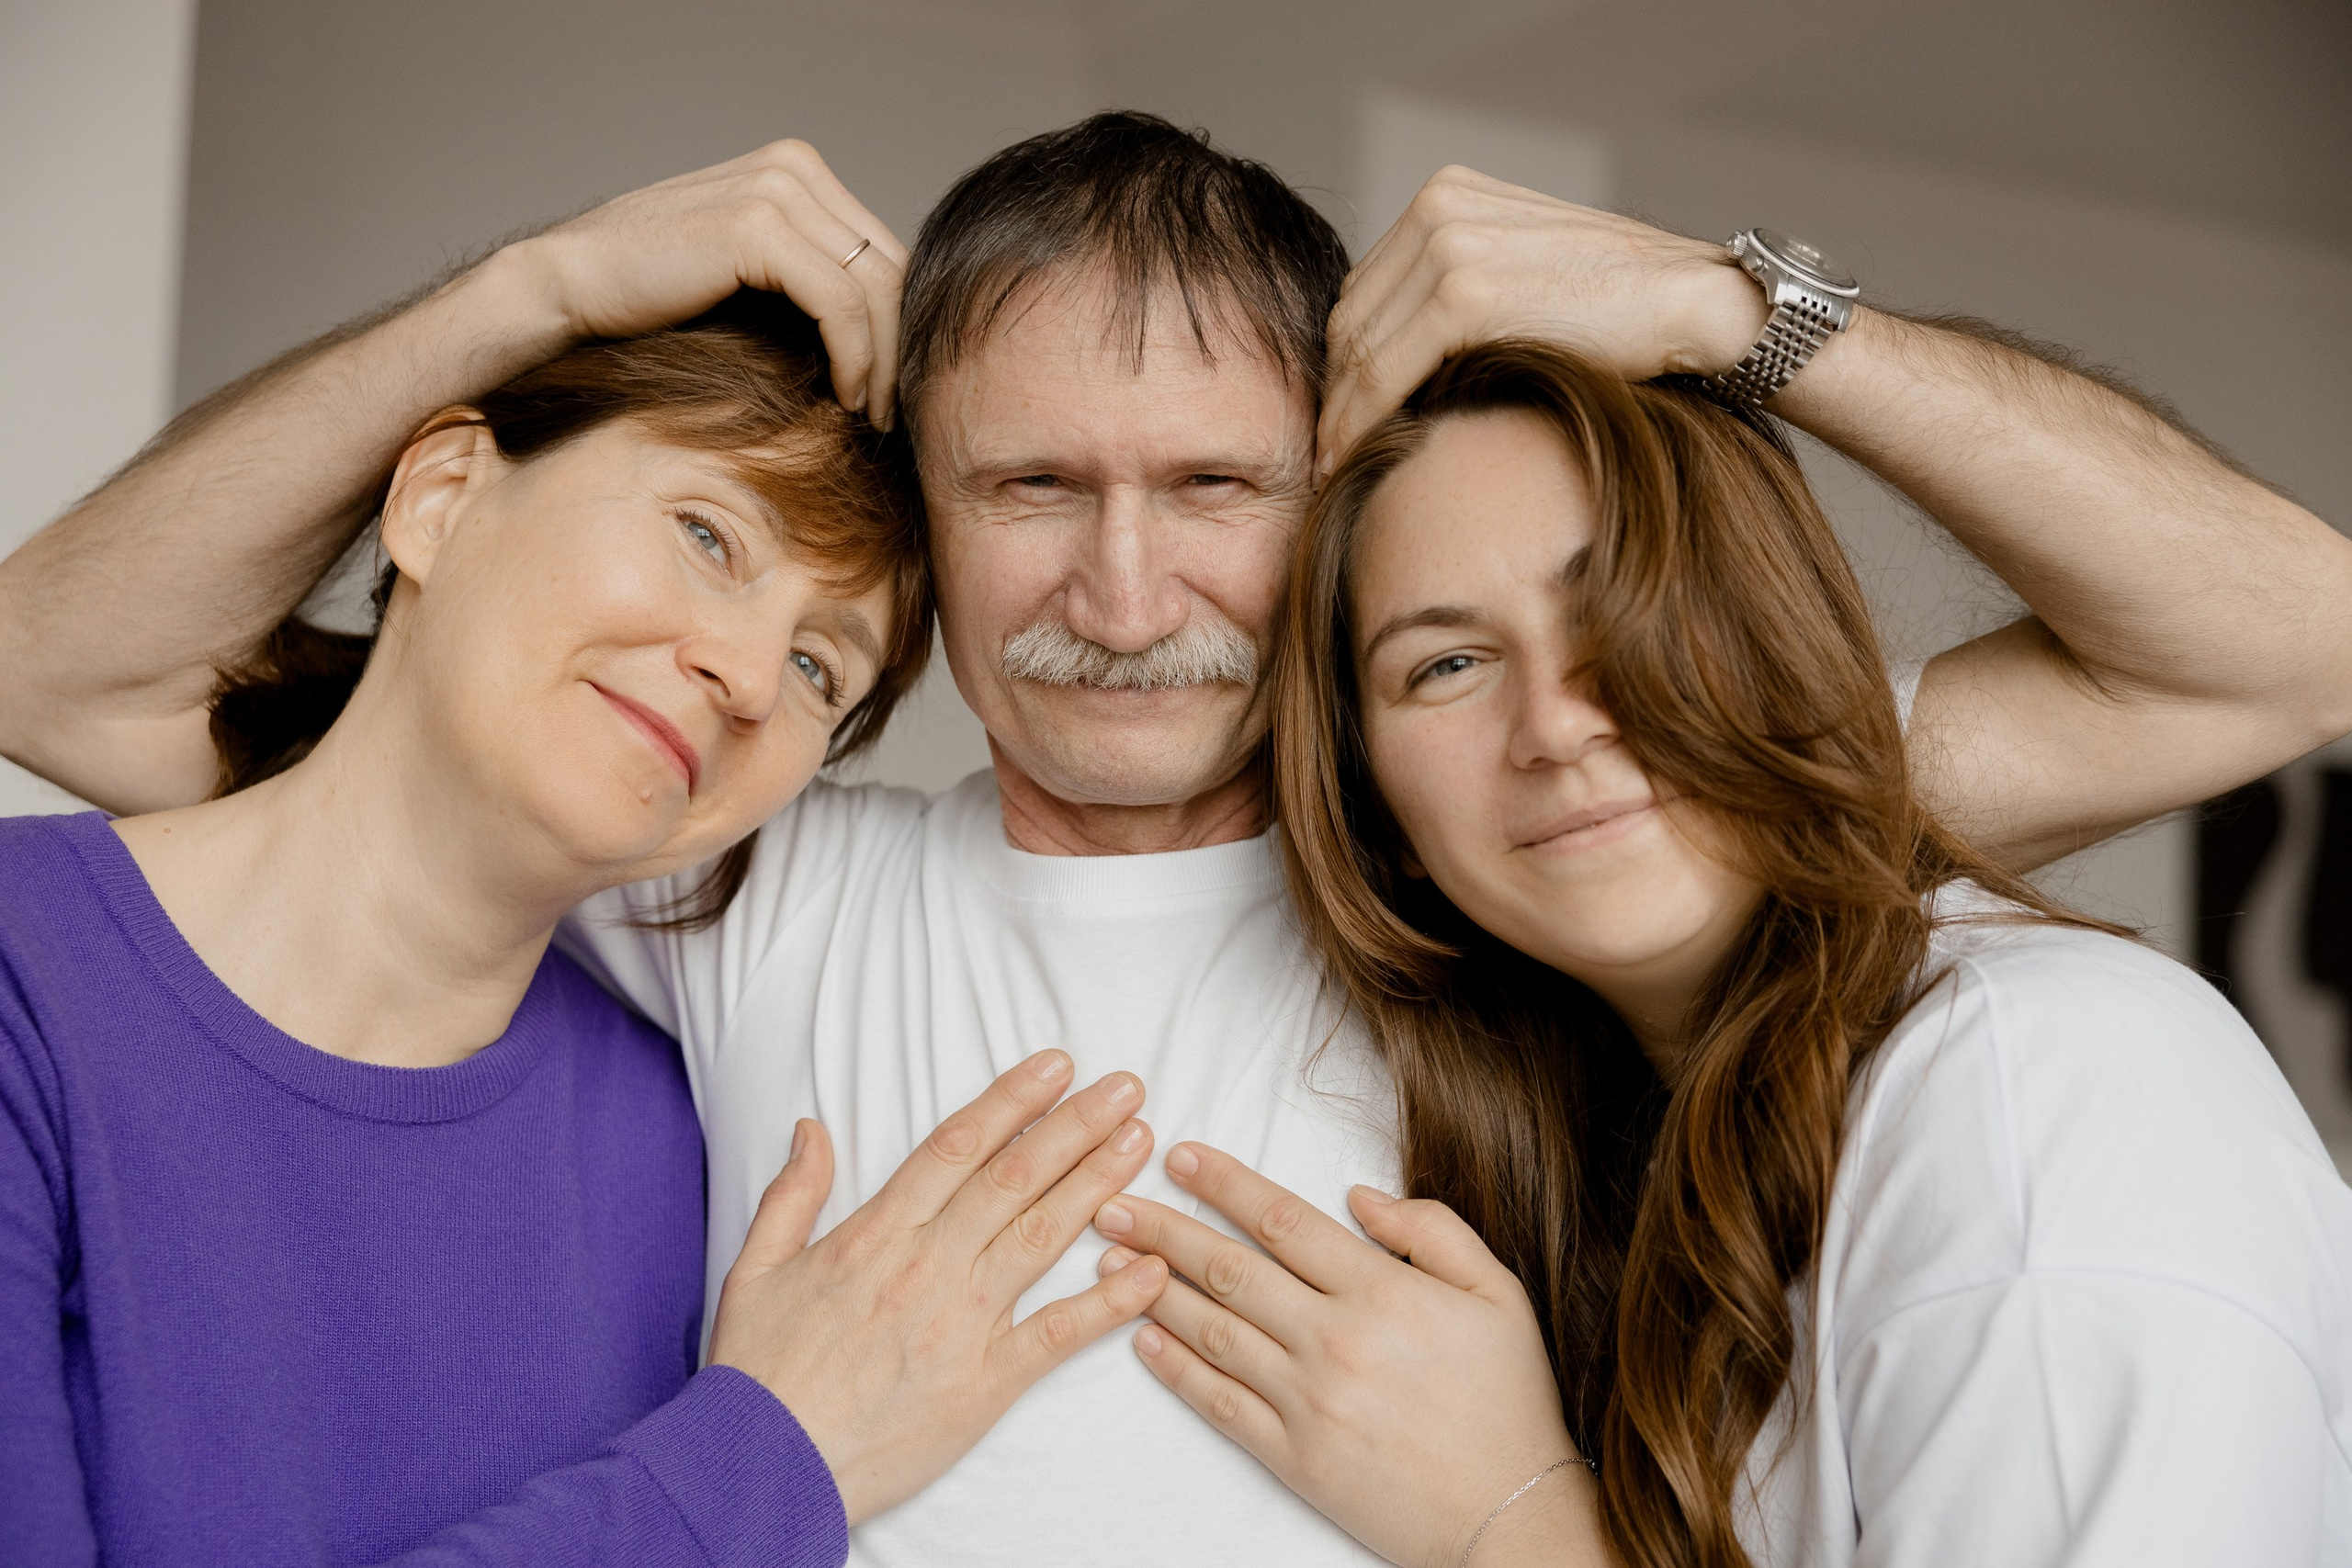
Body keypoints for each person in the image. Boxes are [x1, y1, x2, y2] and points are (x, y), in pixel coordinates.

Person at [5, 112, 2351, 1564]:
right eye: (1027, 488)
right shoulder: (716, 857)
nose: (1121, 600)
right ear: (920, 509)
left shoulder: (1528, 829)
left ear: (1334, 497)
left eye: (1216, 491)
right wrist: (520, 298)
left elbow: (2273, 649)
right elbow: (70, 678)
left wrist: (1723, 304)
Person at [1091, 342, 2352, 1567]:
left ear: (1771, 644)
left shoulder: (2036, 1086)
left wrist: (1512, 1522)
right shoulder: (1632, 1167)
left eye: (1625, 610)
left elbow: (2302, 634)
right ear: (1387, 821)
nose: (1560, 723)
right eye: (1450, 664)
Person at [0, 298, 1175, 1567]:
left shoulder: (692, 1138)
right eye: (709, 536)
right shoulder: (33, 971)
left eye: (818, 669)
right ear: (442, 494)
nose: (743, 669)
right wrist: (772, 1454)